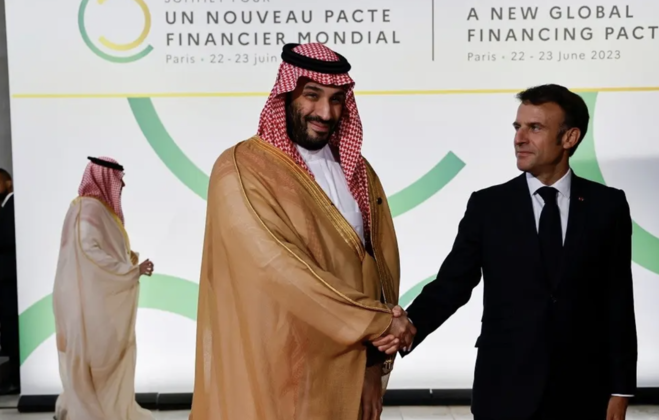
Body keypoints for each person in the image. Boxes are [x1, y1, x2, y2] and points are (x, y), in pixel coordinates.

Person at [375, 84, 637, 420]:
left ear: (570, 138)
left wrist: (621, 389)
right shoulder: (488, 206)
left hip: (584, 391)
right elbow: (453, 284)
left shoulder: (607, 206)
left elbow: (618, 299)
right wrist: (409, 324)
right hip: (504, 389)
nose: (520, 138)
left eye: (536, 128)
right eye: (518, 127)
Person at [189, 43, 413, 420]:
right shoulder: (240, 169)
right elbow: (280, 268)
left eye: (337, 99)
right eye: (312, 95)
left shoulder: (358, 171)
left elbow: (376, 268)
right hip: (275, 377)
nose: (326, 113)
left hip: (345, 372)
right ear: (286, 93)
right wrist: (380, 320)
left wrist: (374, 363)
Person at [52, 157, 155, 420]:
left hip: (95, 301)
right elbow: (87, 251)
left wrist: (129, 259)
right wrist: (130, 270)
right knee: (93, 359)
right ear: (103, 178)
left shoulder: (95, 210)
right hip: (87, 304)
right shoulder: (87, 209)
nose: (122, 185)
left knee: (106, 358)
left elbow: (105, 249)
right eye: (118, 179)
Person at [0, 168, 19, 394]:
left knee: (11, 326)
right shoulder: (1, 209)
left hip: (11, 276)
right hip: (4, 277)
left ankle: (16, 380)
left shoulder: (13, 205)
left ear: (8, 183)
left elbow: (8, 238)